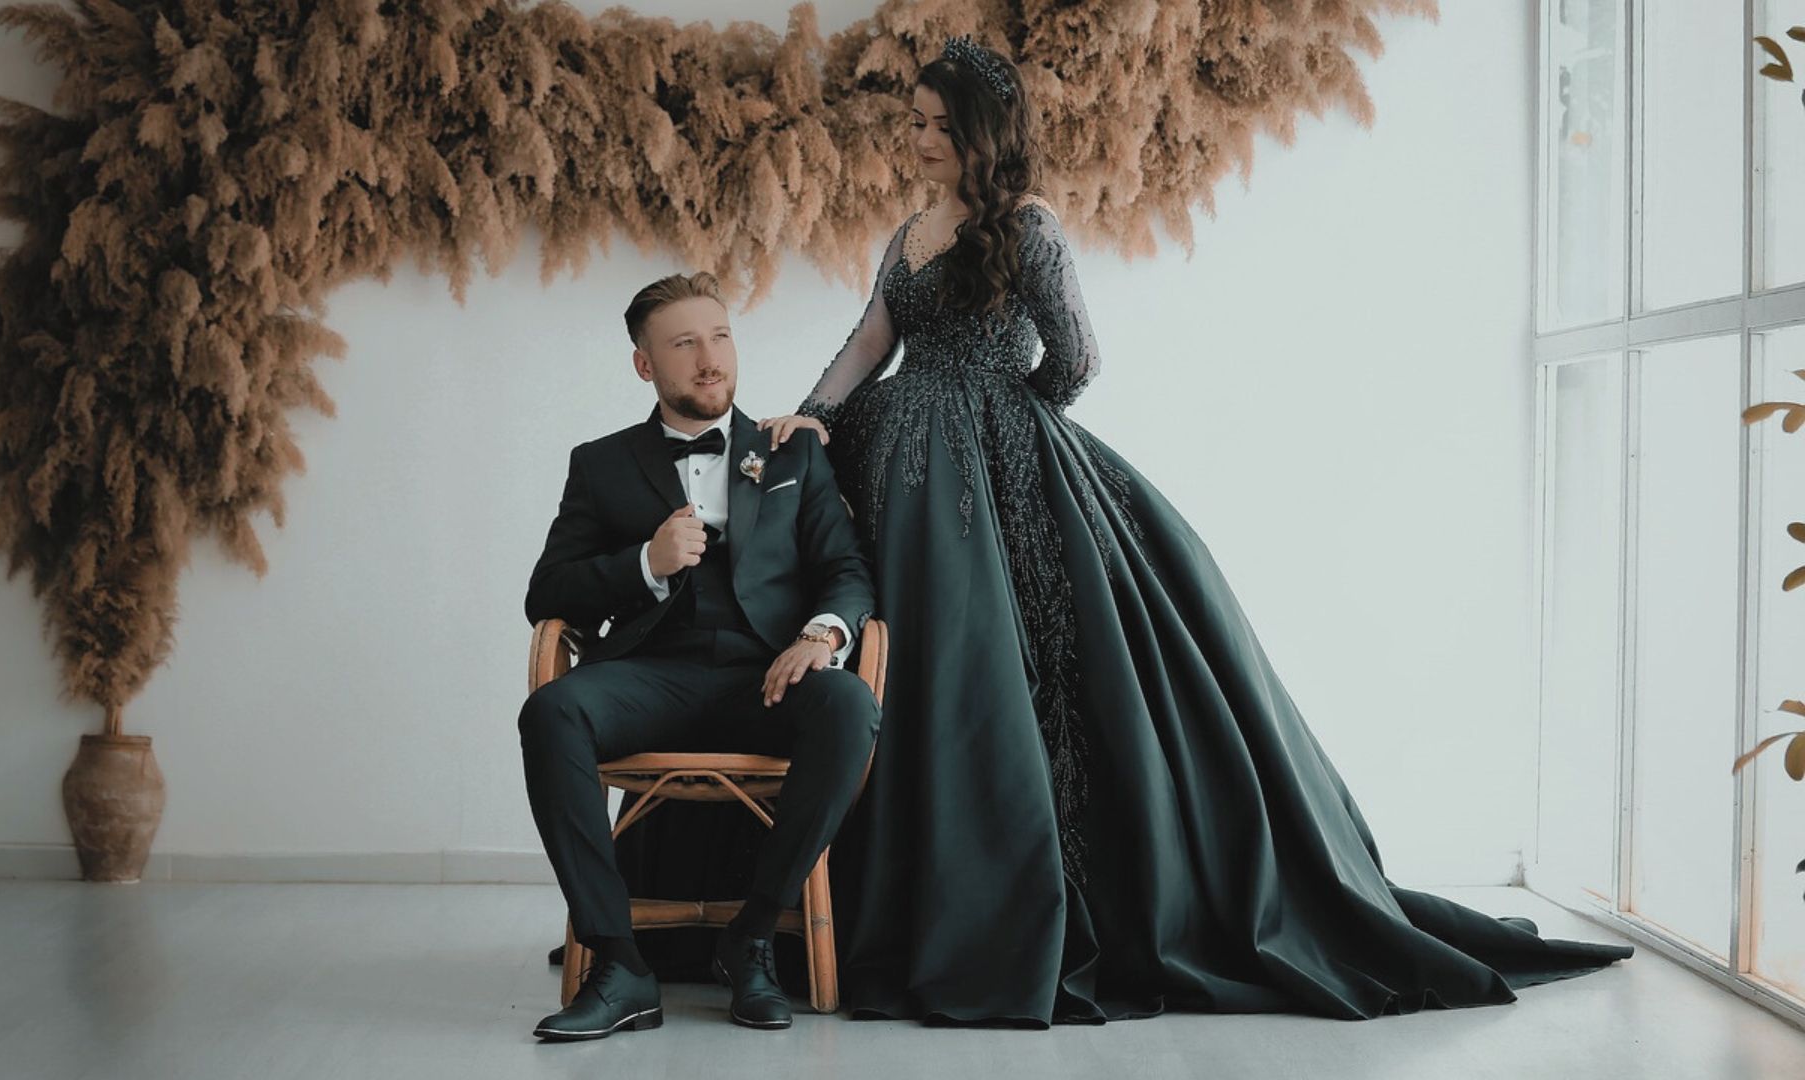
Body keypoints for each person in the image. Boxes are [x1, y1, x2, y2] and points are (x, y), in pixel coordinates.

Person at [754, 37, 1631, 1024]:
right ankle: (852, 906)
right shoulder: (910, 228)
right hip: (899, 468)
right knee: (901, 658)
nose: (915, 138)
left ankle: (1012, 912)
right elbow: (872, 339)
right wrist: (815, 415)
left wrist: (998, 420)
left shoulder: (1029, 226)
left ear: (980, 134)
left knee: (1011, 677)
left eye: (934, 125)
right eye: (912, 121)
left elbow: (1076, 359)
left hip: (996, 465)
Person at [519, 271, 880, 1040]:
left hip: (768, 676)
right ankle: (620, 966)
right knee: (551, 711)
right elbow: (547, 590)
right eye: (684, 345)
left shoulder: (793, 454)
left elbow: (846, 570)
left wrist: (821, 635)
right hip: (652, 675)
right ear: (646, 365)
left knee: (850, 705)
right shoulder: (602, 464)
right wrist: (643, 562)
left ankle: (749, 938)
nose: (709, 359)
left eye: (720, 337)